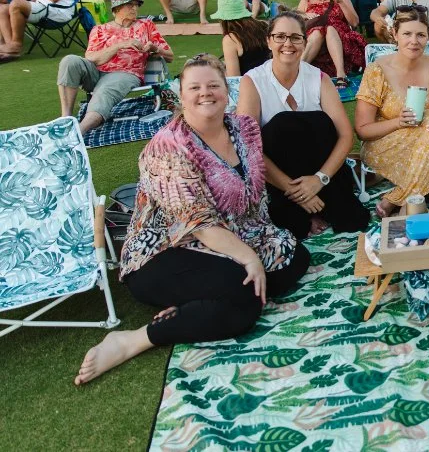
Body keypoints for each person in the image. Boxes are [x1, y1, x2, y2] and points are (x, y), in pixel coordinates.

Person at [73, 53, 308, 386]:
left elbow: (254, 192)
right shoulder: (167, 147)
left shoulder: (242, 128)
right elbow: (199, 224)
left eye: (213, 85)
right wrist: (249, 256)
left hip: (234, 234)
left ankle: (192, 303)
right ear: (180, 96)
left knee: (293, 259)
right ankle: (134, 339)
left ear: (227, 92)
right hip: (164, 251)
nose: (205, 93)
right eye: (194, 87)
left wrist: (260, 242)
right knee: (246, 301)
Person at [237, 13, 370, 238]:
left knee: (353, 222)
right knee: (280, 125)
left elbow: (346, 136)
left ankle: (325, 205)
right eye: (280, 36)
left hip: (321, 172)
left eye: (295, 38)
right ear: (269, 41)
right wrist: (296, 191)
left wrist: (320, 179)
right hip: (280, 181)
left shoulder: (319, 78)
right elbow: (248, 147)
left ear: (304, 43)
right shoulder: (253, 81)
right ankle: (304, 211)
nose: (287, 44)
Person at [355, 7, 429, 217]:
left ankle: (400, 196)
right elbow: (363, 131)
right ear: (395, 35)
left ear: (428, 36)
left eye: (420, 34)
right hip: (387, 141)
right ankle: (423, 193)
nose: (414, 41)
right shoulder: (377, 70)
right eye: (407, 34)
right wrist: (398, 122)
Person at [56, 0, 173, 133]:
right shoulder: (100, 30)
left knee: (105, 90)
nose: (134, 8)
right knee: (69, 60)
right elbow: (92, 58)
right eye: (130, 4)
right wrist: (120, 45)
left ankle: (79, 132)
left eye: (136, 5)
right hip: (96, 71)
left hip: (126, 73)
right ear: (117, 8)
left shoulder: (145, 26)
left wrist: (155, 49)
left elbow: (170, 56)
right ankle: (65, 118)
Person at [297, 0, 366, 85]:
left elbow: (354, 22)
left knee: (329, 29)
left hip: (341, 41)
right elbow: (295, 25)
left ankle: (341, 73)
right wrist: (304, 15)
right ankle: (297, 70)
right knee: (319, 32)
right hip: (315, 44)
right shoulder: (305, 2)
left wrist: (339, 1)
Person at [213, 0, 271, 76]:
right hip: (272, 80)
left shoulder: (230, 39)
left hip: (250, 85)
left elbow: (234, 77)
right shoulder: (264, 25)